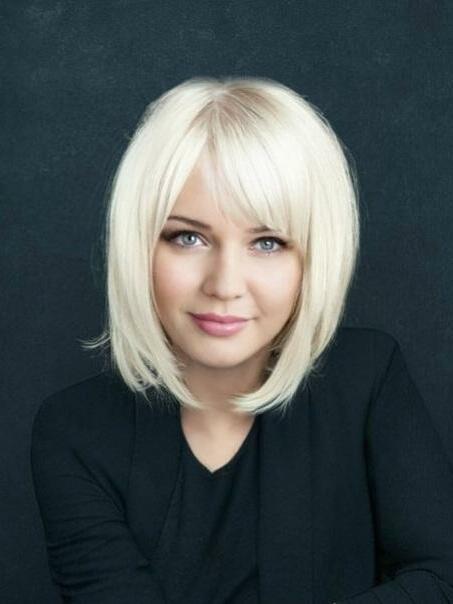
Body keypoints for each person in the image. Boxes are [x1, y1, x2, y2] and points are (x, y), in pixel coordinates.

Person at [30, 77, 453, 604]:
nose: (225, 285)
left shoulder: (366, 379)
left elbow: (442, 579)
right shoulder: (75, 431)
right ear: (139, 244)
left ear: (314, 257)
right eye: (188, 237)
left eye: (268, 242)